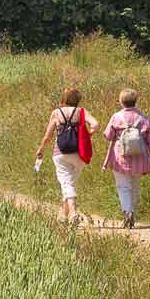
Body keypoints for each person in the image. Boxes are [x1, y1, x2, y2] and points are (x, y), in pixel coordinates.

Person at [35, 86, 94, 225]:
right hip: (79, 153)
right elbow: (96, 125)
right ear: (77, 99)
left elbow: (48, 135)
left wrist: (41, 148)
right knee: (69, 183)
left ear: (63, 98)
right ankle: (65, 216)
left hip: (60, 153)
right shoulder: (81, 112)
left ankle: (73, 213)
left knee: (67, 183)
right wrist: (87, 134)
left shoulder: (56, 113)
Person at [103, 88, 150, 230]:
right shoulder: (143, 118)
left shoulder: (116, 117)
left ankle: (128, 212)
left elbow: (108, 136)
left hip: (120, 158)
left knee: (123, 187)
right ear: (136, 100)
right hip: (140, 158)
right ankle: (131, 210)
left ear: (121, 101)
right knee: (134, 186)